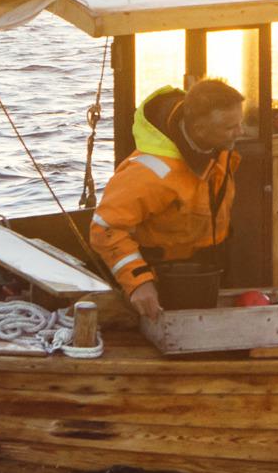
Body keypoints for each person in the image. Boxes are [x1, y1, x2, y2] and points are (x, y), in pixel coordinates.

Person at [89, 77, 246, 322]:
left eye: (240, 123)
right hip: (166, 283)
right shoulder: (149, 173)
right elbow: (104, 228)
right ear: (200, 129)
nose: (240, 132)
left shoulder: (216, 146)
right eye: (230, 127)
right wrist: (139, 282)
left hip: (213, 269)